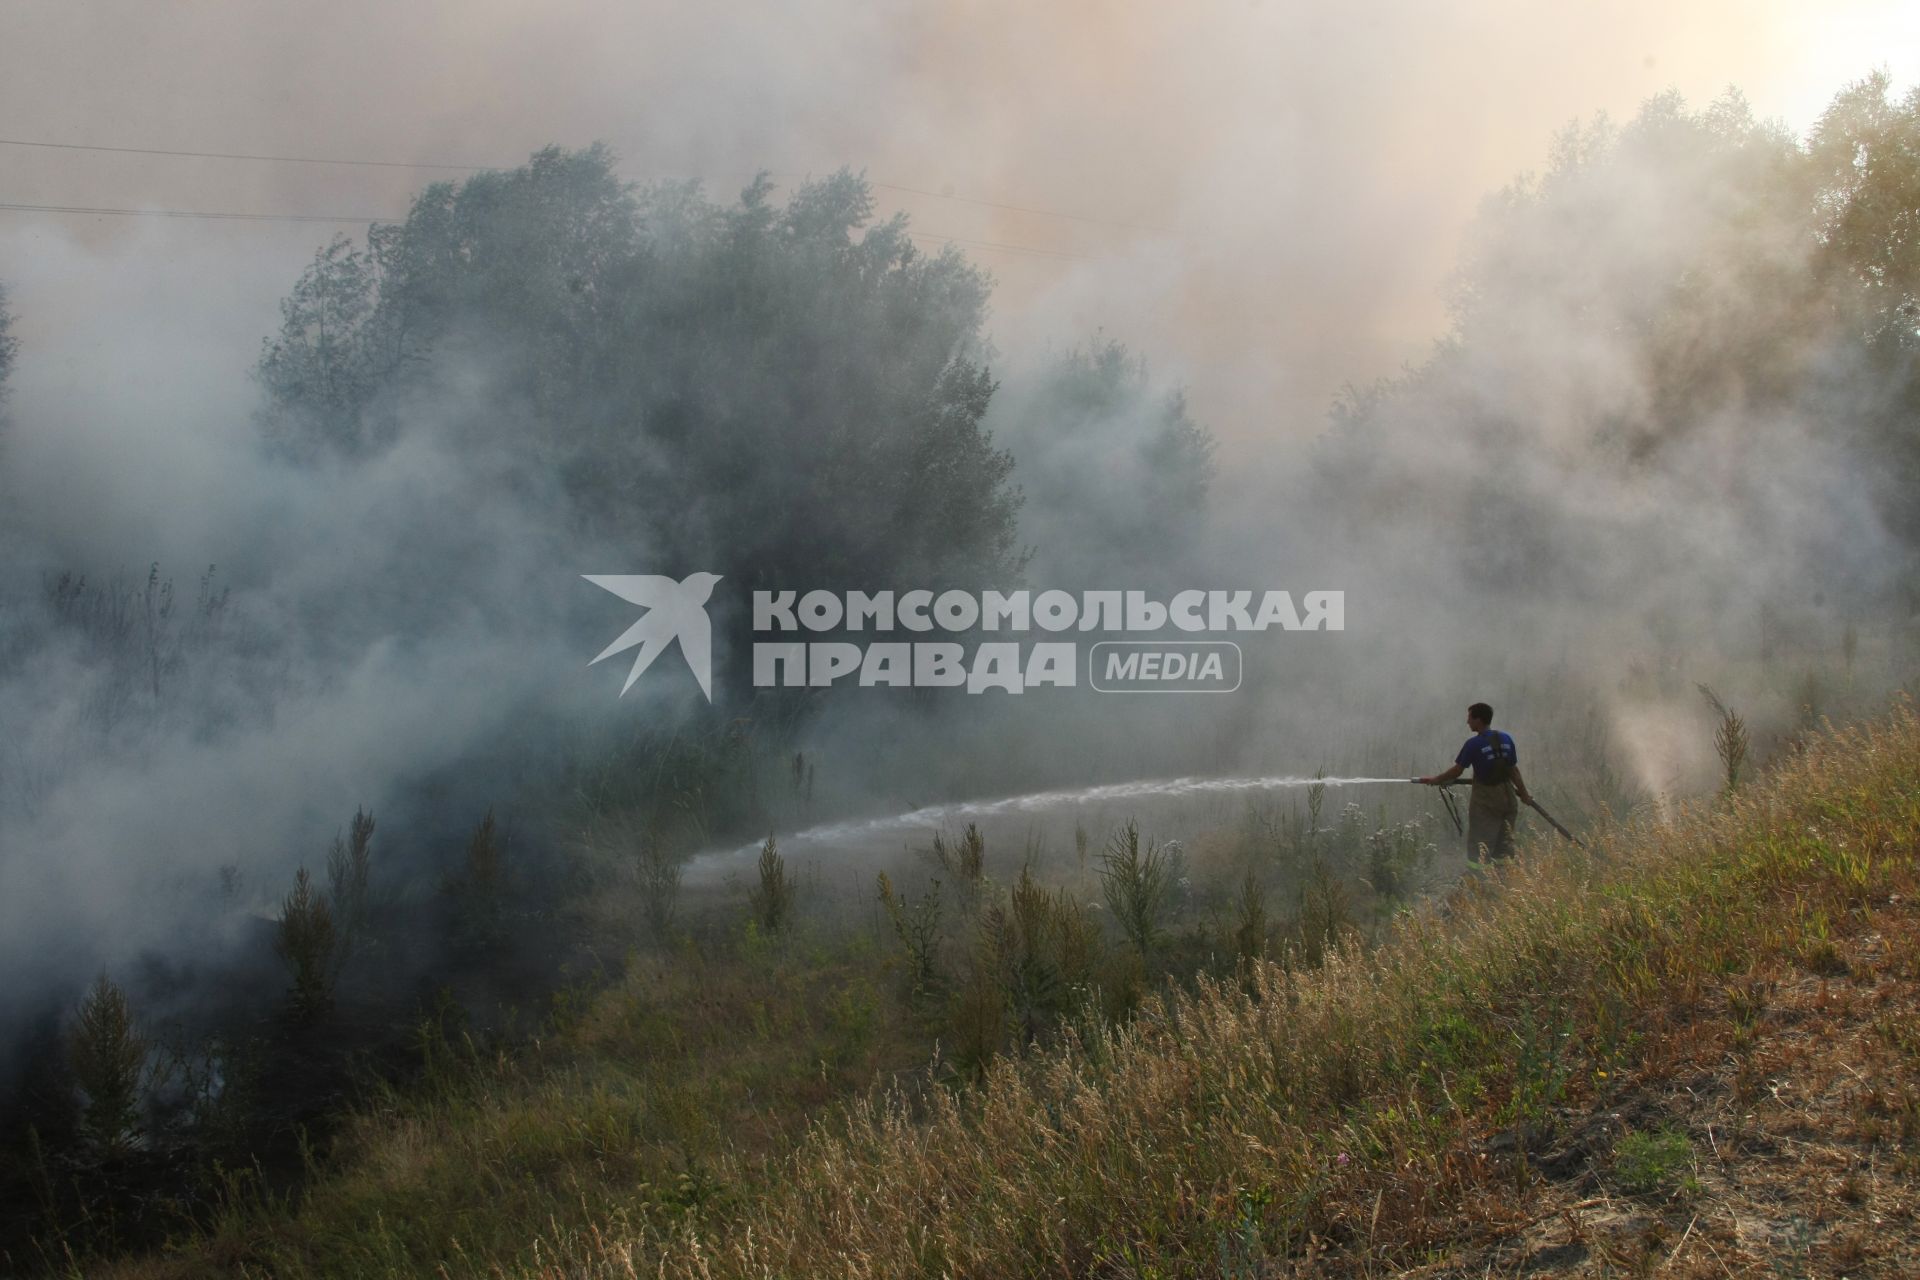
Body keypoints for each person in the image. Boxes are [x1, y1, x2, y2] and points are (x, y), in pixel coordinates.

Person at [1418, 702, 1533, 862]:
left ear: (1478, 720)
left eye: (1470, 718)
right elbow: (1513, 771)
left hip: (1487, 800)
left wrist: (1437, 779)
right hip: (1508, 798)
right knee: (1504, 844)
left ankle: (1478, 881)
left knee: (1479, 845)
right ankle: (1504, 880)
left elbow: (1458, 770)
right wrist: (1525, 795)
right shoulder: (1506, 739)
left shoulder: (1474, 744)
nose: (1467, 722)